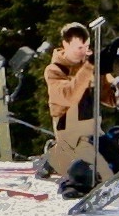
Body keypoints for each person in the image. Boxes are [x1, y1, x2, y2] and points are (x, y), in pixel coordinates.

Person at [40, 20, 105, 179]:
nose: (83, 52)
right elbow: (69, 95)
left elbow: (105, 93)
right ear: (65, 45)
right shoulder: (54, 70)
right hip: (67, 122)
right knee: (80, 165)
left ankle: (61, 154)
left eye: (86, 47)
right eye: (78, 48)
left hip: (91, 121)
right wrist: (89, 69)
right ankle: (54, 157)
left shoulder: (91, 63)